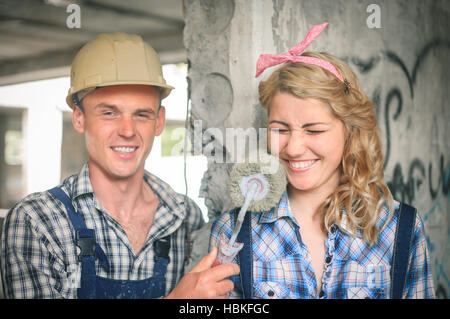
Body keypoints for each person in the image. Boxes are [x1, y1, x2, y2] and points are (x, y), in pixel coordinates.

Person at [1, 32, 239, 299]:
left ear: (159, 121)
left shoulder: (184, 218)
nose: (127, 131)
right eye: (109, 112)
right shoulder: (38, 222)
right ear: (79, 118)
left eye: (141, 114)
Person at [209, 23, 435, 299]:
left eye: (314, 130)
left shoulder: (400, 229)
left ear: (350, 131)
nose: (293, 148)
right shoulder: (233, 233)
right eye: (280, 129)